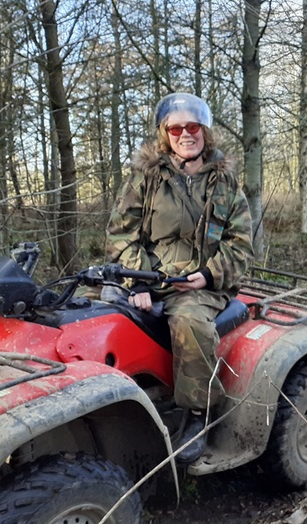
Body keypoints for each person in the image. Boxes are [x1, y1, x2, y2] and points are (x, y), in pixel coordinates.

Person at [107, 92, 254, 464]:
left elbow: (241, 248)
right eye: (176, 128)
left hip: (200, 284)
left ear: (204, 131)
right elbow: (120, 234)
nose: (185, 134)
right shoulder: (146, 178)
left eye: (192, 127)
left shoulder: (226, 184)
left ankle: (197, 413)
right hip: (148, 275)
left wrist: (206, 276)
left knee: (188, 321)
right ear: (165, 134)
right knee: (92, 312)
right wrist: (137, 281)